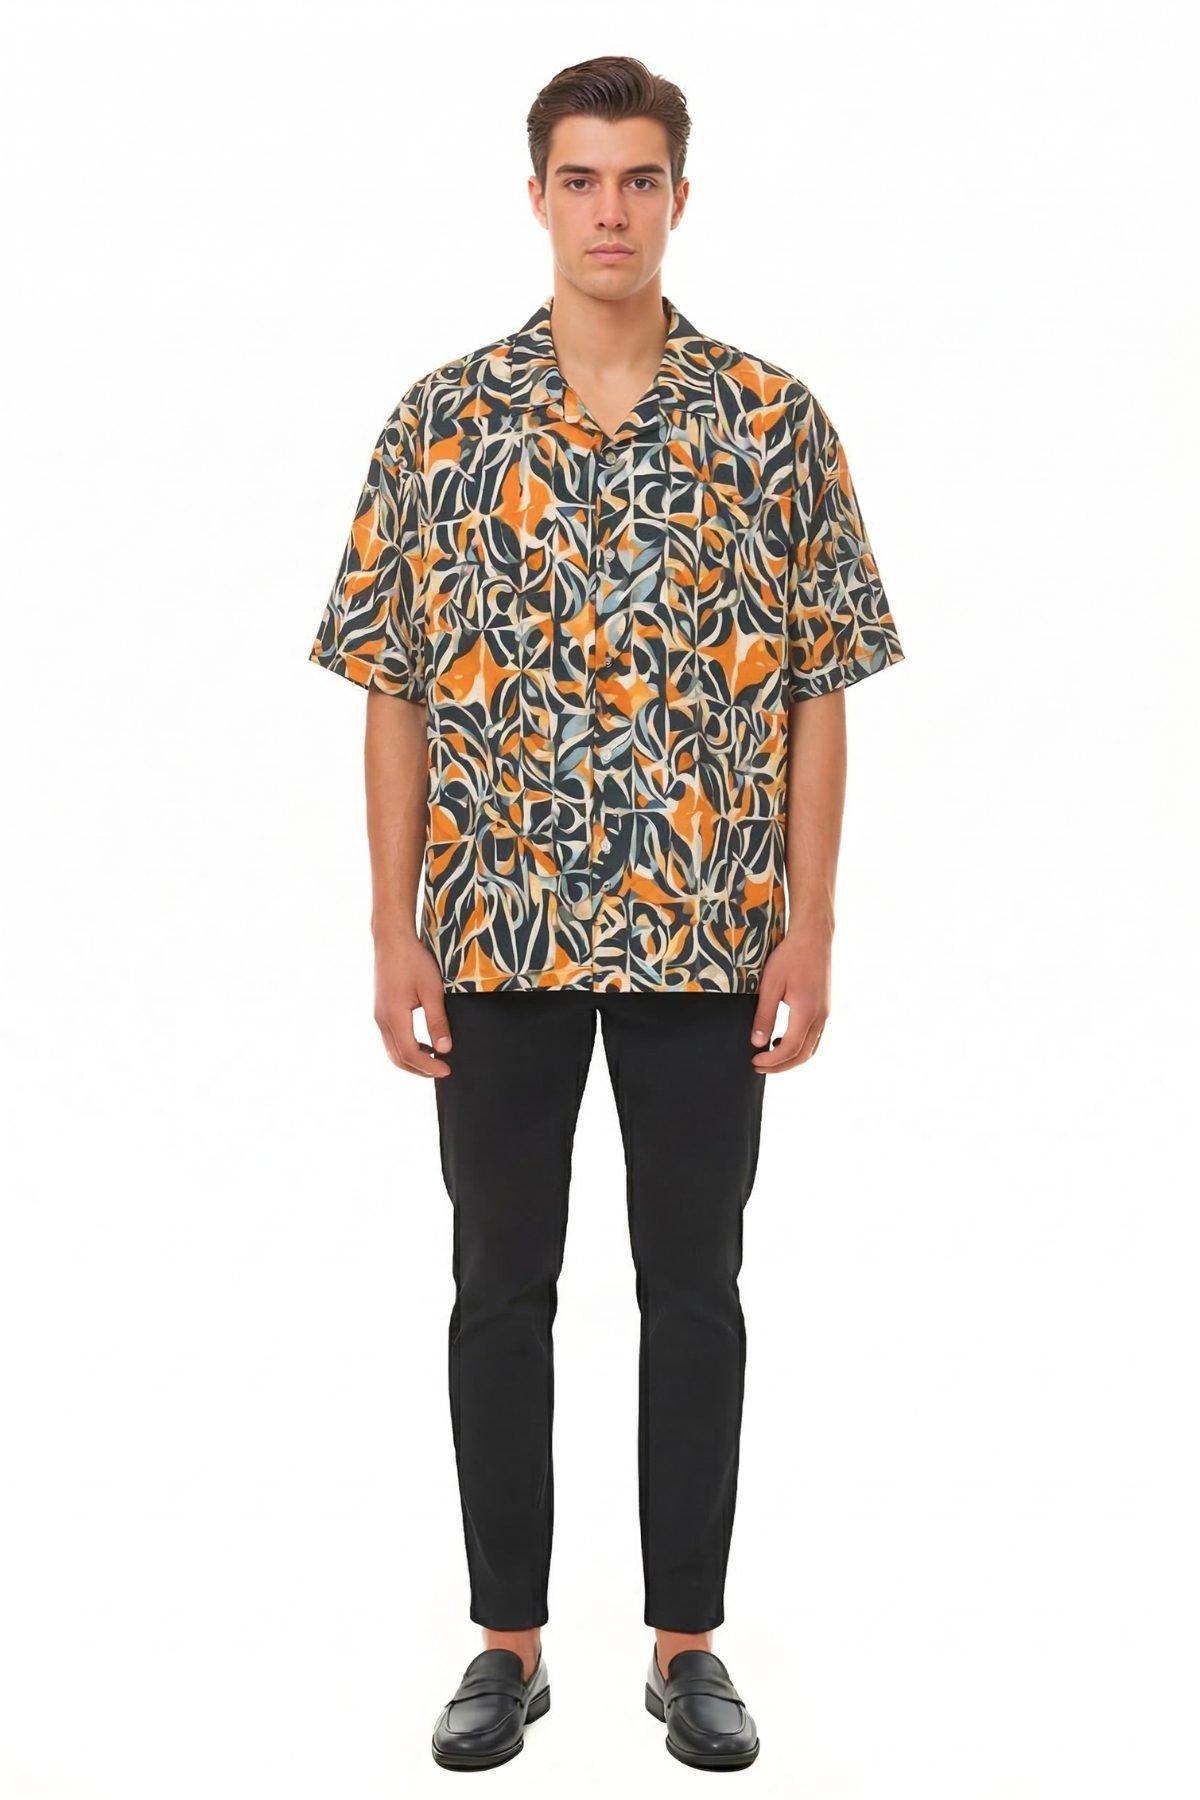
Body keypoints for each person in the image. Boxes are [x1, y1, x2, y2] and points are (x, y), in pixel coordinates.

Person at [308, 53, 905, 1774]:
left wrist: (811, 924)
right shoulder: (443, 424)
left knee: (694, 1286)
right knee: (499, 1283)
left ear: (681, 198)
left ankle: (686, 1640)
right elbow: (393, 686)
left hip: (706, 930)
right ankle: (507, 1640)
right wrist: (392, 927)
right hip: (494, 929)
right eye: (582, 179)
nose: (612, 211)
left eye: (641, 179)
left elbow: (818, 687)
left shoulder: (771, 423)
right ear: (538, 197)